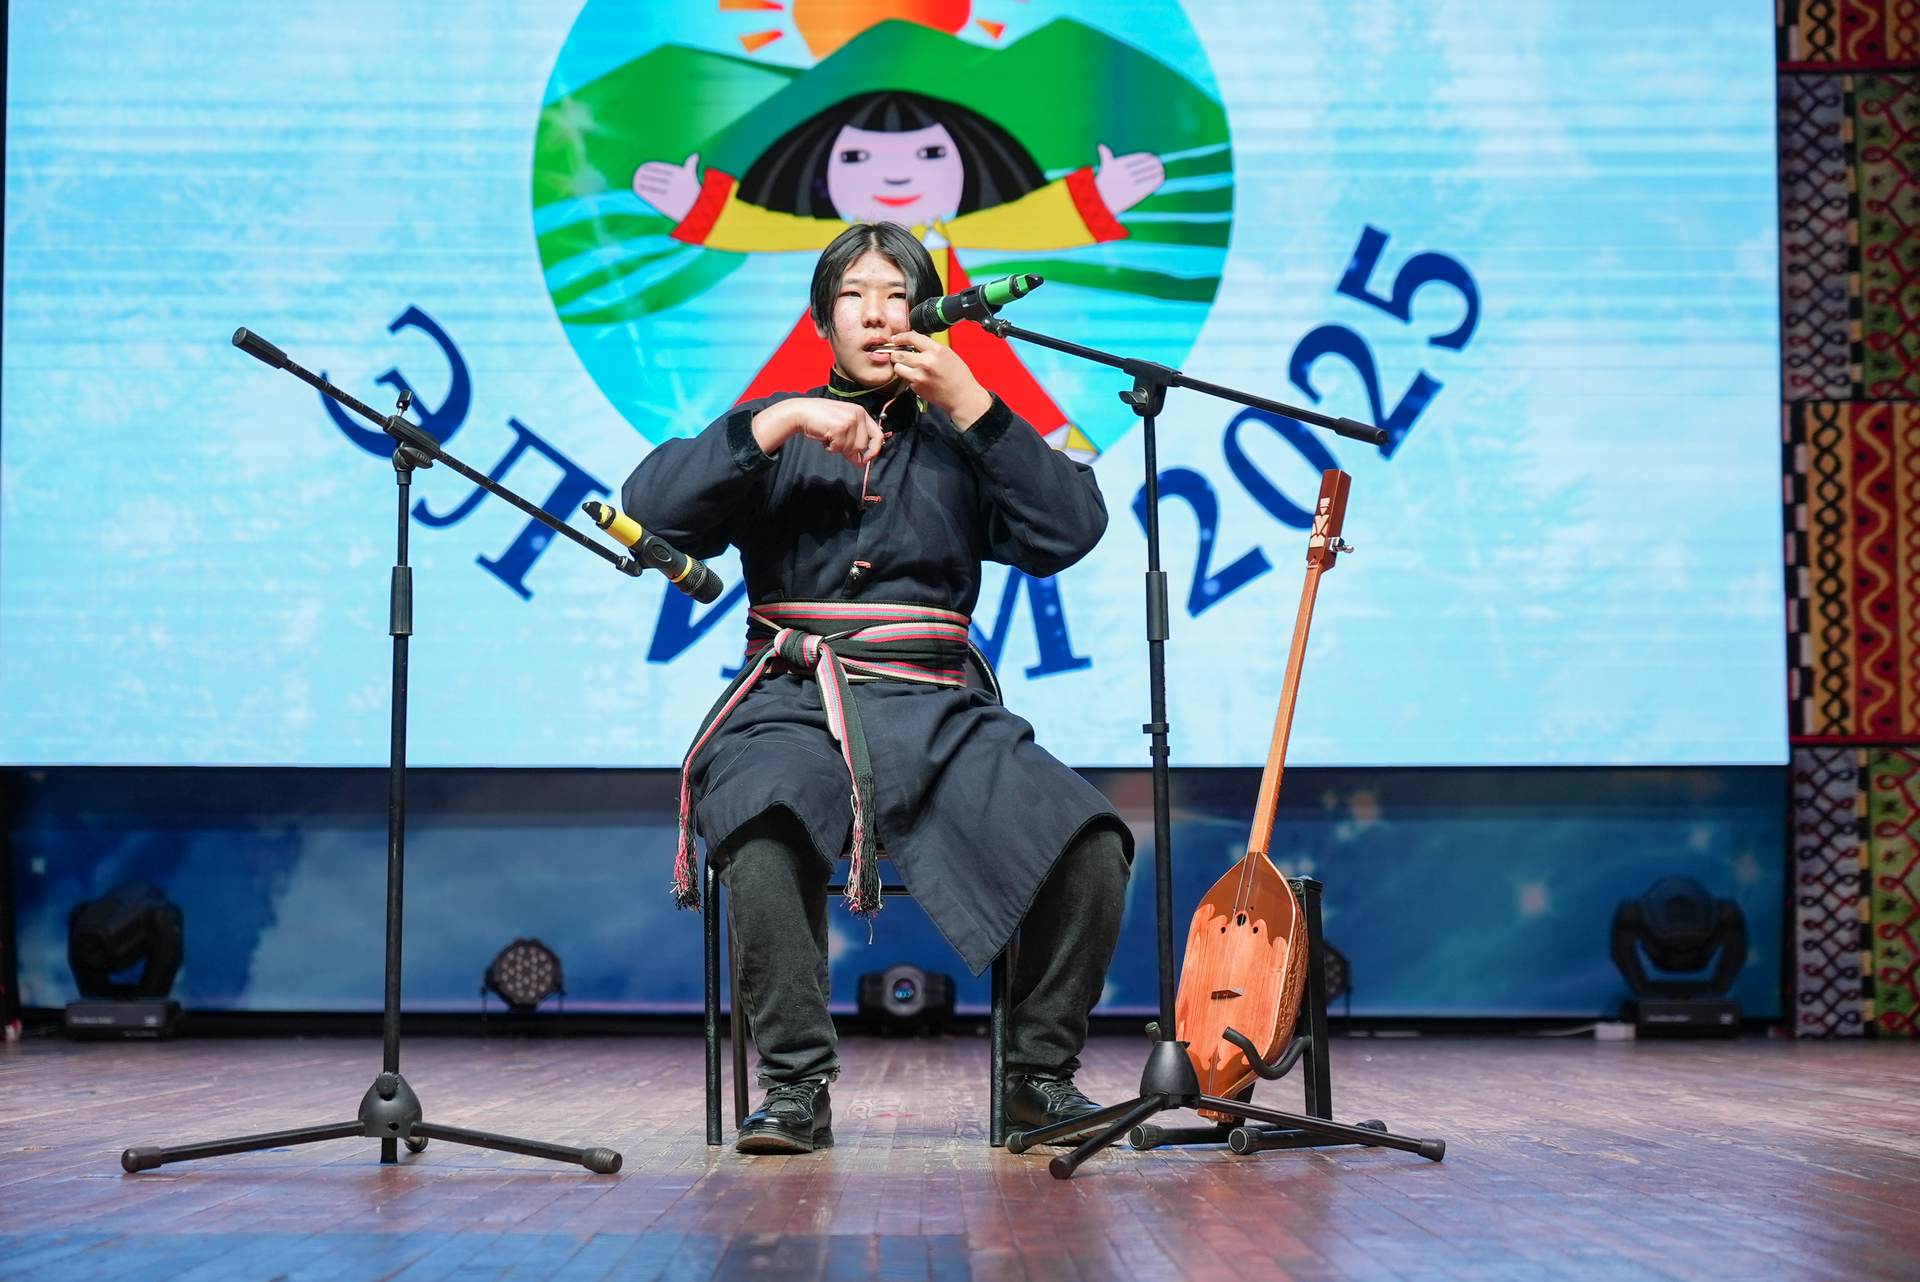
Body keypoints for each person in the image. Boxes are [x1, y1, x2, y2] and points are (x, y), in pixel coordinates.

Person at [623, 220, 1132, 1154]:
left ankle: (1036, 1075)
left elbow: (1067, 533)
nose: (876, 313)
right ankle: (795, 1087)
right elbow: (650, 508)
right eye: (853, 295)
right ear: (824, 321)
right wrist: (778, 422)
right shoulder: (779, 430)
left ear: (929, 314)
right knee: (760, 812)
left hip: (940, 709)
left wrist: (974, 405)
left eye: (897, 294)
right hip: (794, 702)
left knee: (1091, 841)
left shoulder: (962, 437)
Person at [632, 89, 1165, 457]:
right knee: (790, 398)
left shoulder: (949, 242)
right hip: (824, 394)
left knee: (981, 383)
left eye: (930, 153)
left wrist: (1099, 196)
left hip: (943, 349)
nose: (895, 173)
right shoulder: (846, 259)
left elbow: (1029, 218)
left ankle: (1040, 440)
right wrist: (697, 206)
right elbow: (765, 227)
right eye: (858, 157)